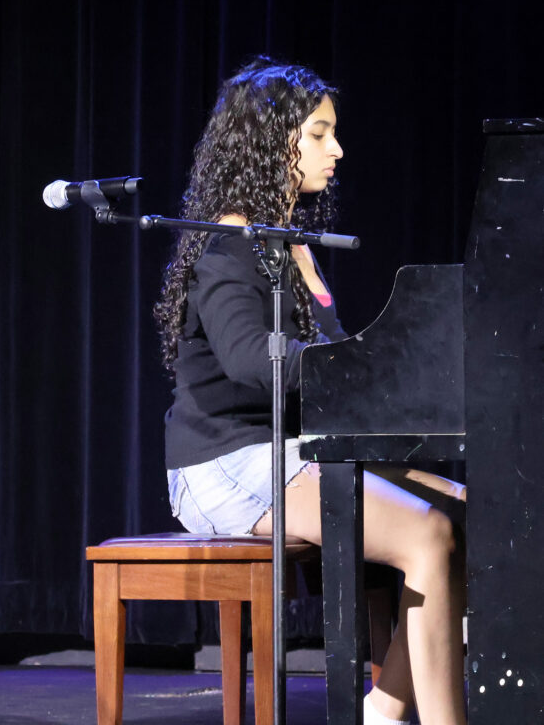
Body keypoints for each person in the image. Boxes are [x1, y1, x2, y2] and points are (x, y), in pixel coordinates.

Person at [154, 58, 467, 725]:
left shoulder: (290, 246)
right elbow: (251, 359)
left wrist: (387, 378)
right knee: (428, 532)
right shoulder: (227, 248)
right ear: (272, 143)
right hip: (225, 460)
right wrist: (355, 365)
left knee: (466, 513)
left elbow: (331, 357)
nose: (338, 149)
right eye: (320, 134)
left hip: (295, 449)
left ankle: (384, 708)